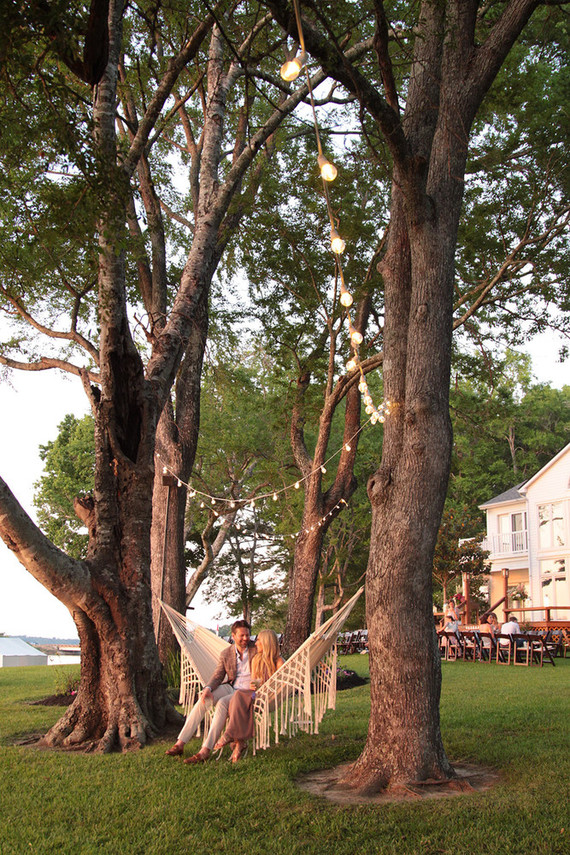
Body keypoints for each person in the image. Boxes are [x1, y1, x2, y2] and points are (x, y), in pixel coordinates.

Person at [165, 618, 257, 764]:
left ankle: (205, 750)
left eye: (248, 635)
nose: (246, 638)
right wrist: (207, 689)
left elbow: (273, 657)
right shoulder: (226, 653)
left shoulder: (257, 649)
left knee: (221, 704)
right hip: (232, 688)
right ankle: (180, 743)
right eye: (242, 635)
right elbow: (218, 676)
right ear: (233, 636)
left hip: (249, 692)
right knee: (205, 699)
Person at [213, 629, 284, 762]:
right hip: (254, 694)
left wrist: (264, 686)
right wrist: (255, 685)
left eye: (258, 640)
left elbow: (280, 685)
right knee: (238, 698)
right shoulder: (256, 659)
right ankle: (240, 743)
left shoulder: (279, 662)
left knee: (239, 697)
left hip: (268, 697)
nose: (255, 643)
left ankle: (230, 735)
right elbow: (254, 680)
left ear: (266, 643)